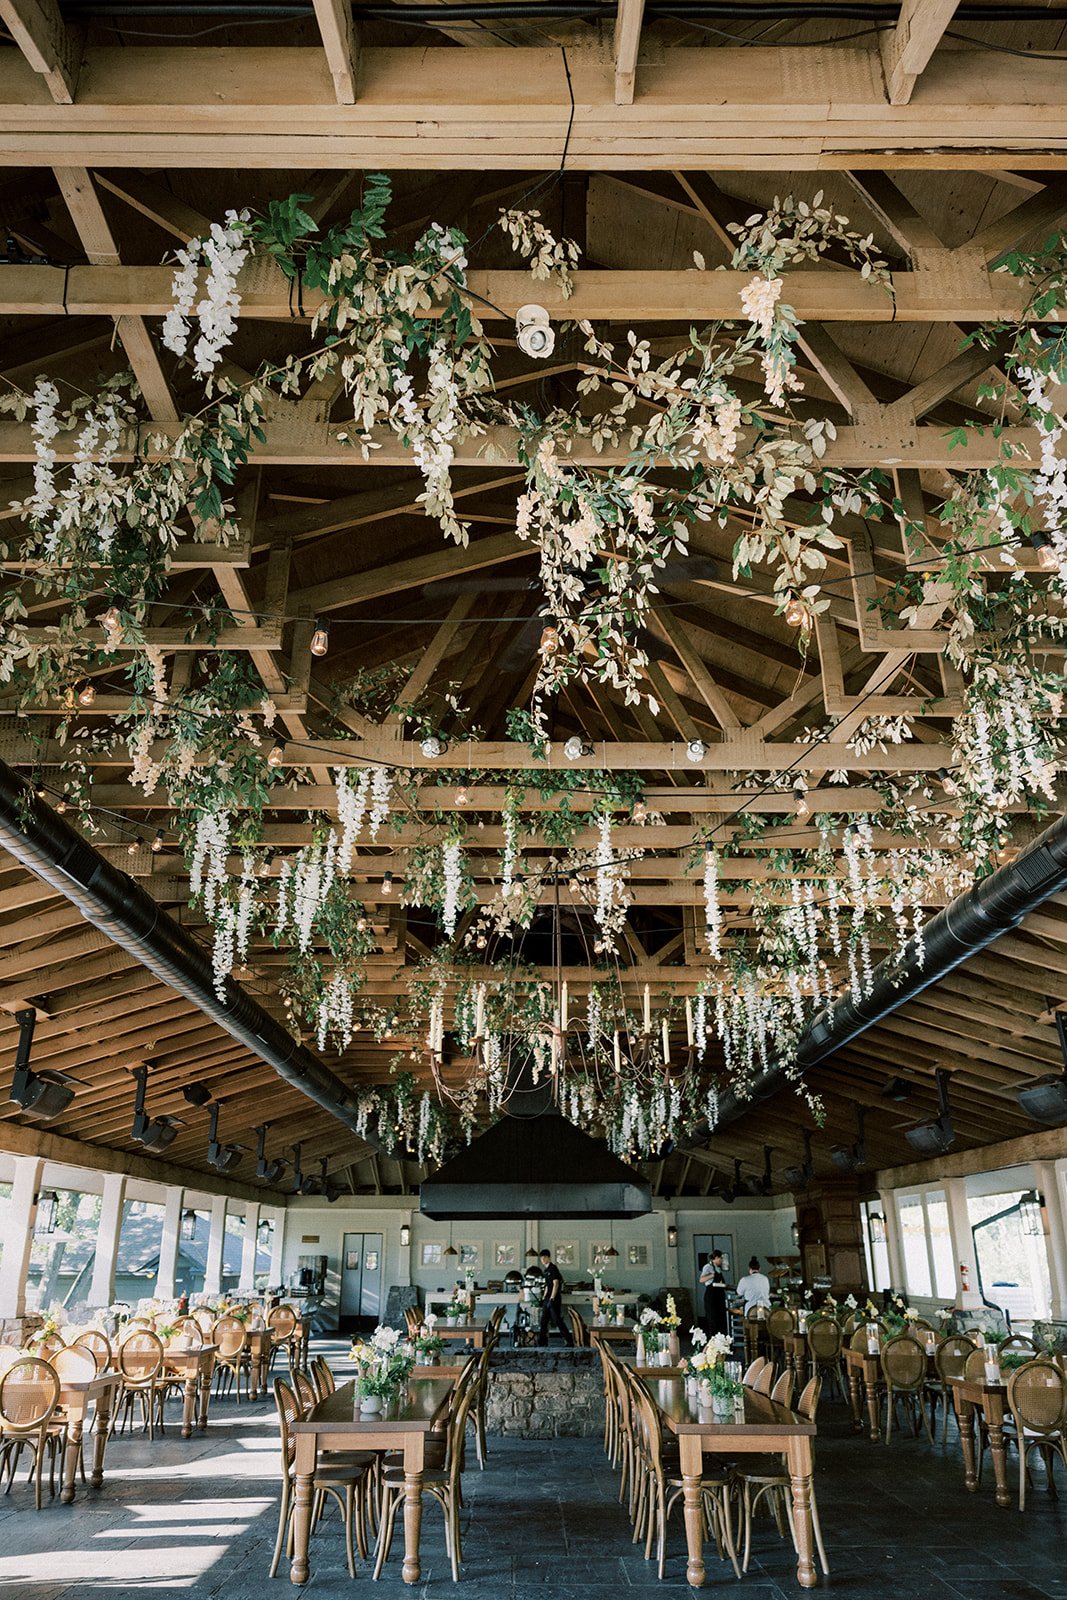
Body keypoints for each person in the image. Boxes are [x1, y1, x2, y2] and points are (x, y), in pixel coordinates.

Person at [537, 1248, 574, 1346]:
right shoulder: (545, 1270)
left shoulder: (553, 1268)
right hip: (547, 1298)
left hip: (554, 1298)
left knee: (557, 1320)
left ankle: (569, 1341)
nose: (543, 1260)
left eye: (544, 1258)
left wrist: (552, 1298)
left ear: (548, 1258)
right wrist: (543, 1298)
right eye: (541, 1258)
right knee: (543, 1321)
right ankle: (541, 1342)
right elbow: (547, 1285)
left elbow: (556, 1284)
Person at [700, 1249, 731, 1337]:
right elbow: (701, 1279)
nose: (721, 1260)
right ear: (716, 1258)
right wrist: (712, 1275)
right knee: (712, 1316)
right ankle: (713, 1337)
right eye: (720, 1258)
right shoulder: (707, 1267)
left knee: (720, 1316)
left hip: (719, 1294)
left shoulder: (718, 1268)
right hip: (711, 1295)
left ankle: (721, 1337)